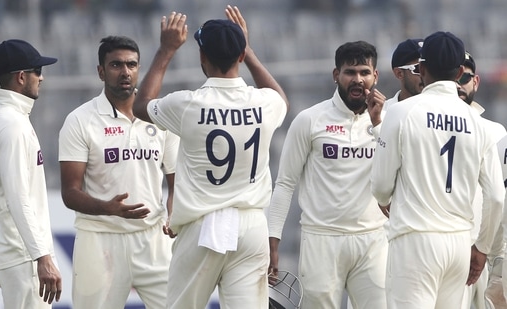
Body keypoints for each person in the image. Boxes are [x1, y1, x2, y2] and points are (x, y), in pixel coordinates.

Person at [132, 6, 289, 308]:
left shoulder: (188, 104)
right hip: (252, 226)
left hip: (203, 226)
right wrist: (249, 48)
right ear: (241, 56)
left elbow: (142, 105)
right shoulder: (264, 102)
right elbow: (281, 98)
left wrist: (166, 50)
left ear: (202, 57)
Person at [371, 31, 505, 309]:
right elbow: (495, 197)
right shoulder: (478, 123)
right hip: (458, 246)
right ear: (459, 72)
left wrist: (385, 200)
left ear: (421, 68)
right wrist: (481, 249)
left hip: (415, 240)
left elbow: (381, 185)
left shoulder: (402, 112)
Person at [58, 35, 179, 309]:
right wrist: (108, 208)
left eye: (132, 65)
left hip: (153, 238)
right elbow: (70, 192)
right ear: (101, 72)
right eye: (116, 65)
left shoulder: (159, 117)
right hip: (100, 238)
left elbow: (176, 181)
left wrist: (174, 213)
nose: (125, 72)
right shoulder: (80, 120)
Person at [268, 40, 388, 309]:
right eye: (350, 72)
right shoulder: (309, 119)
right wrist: (272, 240)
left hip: (373, 240)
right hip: (321, 239)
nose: (358, 80)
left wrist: (379, 125)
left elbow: (395, 173)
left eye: (364, 72)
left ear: (375, 76)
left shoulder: (387, 120)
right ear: (336, 75)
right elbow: (285, 183)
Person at [0, 39, 62, 308]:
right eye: (38, 71)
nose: (42, 77)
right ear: (22, 77)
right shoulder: (12, 124)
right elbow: (17, 197)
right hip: (23, 253)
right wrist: (42, 257)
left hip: (15, 249)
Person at [457, 51, 507, 309]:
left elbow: (500, 197)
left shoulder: (496, 133)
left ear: (475, 81)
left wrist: (491, 249)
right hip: (450, 247)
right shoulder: (423, 128)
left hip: (489, 252)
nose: (458, 85)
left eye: (464, 77)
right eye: (452, 76)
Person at [384, 38, 424, 110]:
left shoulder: (444, 110)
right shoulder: (383, 112)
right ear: (399, 73)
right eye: (418, 69)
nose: (425, 75)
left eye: (430, 68)